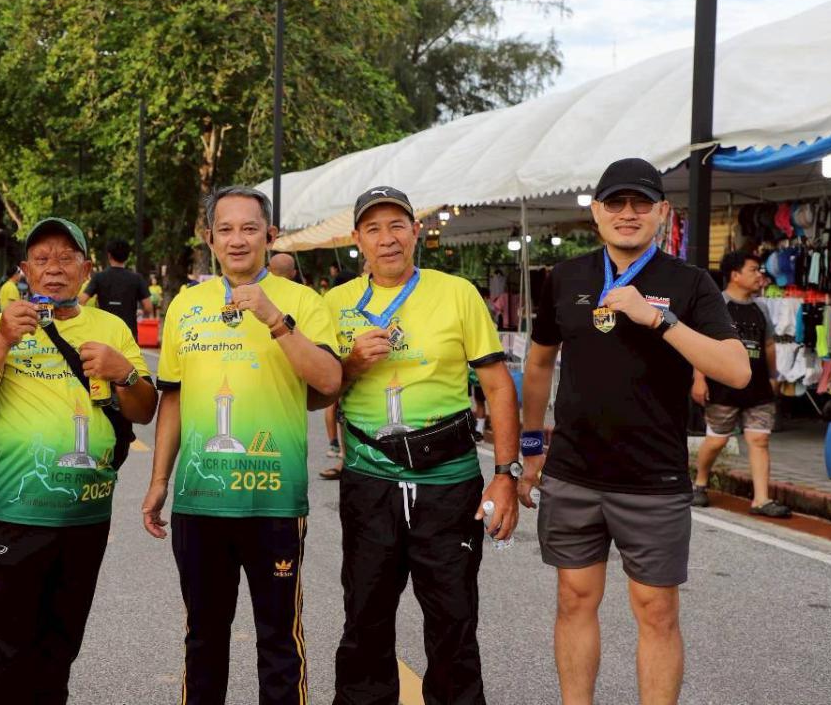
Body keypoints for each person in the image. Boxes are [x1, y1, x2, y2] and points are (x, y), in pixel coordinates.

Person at [519, 158, 750, 705]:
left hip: (653, 478)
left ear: (662, 212)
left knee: (657, 611)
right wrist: (530, 447)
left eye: (641, 202)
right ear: (596, 212)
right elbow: (538, 363)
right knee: (574, 599)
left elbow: (736, 370)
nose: (628, 213)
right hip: (573, 472)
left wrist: (660, 319)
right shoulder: (566, 277)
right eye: (616, 202)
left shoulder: (689, 282)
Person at [0, 217, 157, 703]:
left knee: (59, 647)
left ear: (87, 269)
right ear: (25, 271)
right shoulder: (2, 326)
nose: (54, 268)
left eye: (66, 258)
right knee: (2, 651)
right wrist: (2, 340)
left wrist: (124, 373)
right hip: (17, 512)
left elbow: (144, 411)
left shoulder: (110, 328)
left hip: (87, 515)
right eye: (42, 259)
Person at [143, 186, 341, 705]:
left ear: (269, 236)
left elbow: (329, 381)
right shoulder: (186, 305)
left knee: (279, 641)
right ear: (209, 238)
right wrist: (159, 480)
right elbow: (172, 397)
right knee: (203, 638)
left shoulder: (303, 302)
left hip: (274, 499)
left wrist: (276, 320)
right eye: (225, 229)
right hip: (200, 499)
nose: (237, 240)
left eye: (249, 228)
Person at [323, 186, 520, 705]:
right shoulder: (336, 304)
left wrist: (506, 474)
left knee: (454, 622)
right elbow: (316, 391)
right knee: (364, 619)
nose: (386, 238)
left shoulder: (456, 293)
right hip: (369, 484)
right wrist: (351, 364)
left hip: (448, 486)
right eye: (373, 228)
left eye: (397, 226)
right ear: (357, 239)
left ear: (415, 231)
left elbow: (498, 386)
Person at [692, 252, 790, 518]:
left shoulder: (762, 308)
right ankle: (699, 483)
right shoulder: (717, 305)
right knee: (717, 441)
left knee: (759, 439)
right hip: (722, 386)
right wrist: (699, 379)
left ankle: (761, 500)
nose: (760, 275)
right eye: (753, 270)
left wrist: (774, 376)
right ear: (735, 275)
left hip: (758, 387)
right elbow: (702, 345)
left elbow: (768, 344)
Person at [79, 238, 153, 339]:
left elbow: (81, 301)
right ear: (127, 257)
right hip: (128, 332)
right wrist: (140, 313)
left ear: (109, 255)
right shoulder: (137, 278)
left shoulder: (99, 277)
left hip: (104, 332)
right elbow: (148, 307)